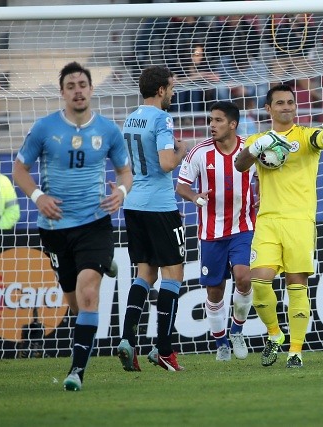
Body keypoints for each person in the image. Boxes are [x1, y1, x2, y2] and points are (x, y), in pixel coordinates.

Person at [12, 61, 132, 391]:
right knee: (75, 300)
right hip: (54, 227)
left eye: (82, 84)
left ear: (91, 89)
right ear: (62, 92)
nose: (78, 90)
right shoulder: (44, 128)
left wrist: (121, 192)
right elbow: (19, 169)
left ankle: (76, 371)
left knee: (89, 293)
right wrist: (37, 196)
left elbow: (126, 172)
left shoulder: (108, 130)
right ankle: (100, 267)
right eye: (71, 86)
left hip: (95, 222)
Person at [234, 84, 323, 368]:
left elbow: (322, 139)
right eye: (280, 103)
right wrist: (256, 148)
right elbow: (239, 164)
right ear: (268, 109)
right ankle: (275, 333)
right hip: (268, 220)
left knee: (297, 285)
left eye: (291, 103)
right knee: (258, 283)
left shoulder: (305, 136)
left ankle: (296, 351)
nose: (286, 107)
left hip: (299, 221)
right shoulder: (259, 138)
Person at [117, 65, 188, 373]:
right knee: (173, 275)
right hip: (159, 205)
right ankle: (164, 349)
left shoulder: (130, 118)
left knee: (145, 274)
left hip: (133, 204)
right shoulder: (162, 118)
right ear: (160, 90)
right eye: (170, 88)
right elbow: (165, 162)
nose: (172, 94)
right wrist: (181, 150)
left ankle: (127, 340)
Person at [175, 101, 256, 361]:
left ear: (233, 124)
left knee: (244, 278)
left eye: (219, 120)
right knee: (215, 290)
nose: (212, 125)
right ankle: (221, 342)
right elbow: (181, 186)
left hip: (243, 228)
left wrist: (262, 198)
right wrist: (195, 196)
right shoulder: (199, 153)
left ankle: (237, 331)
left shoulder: (249, 149)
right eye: (211, 120)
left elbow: (264, 178)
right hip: (211, 233)